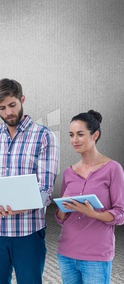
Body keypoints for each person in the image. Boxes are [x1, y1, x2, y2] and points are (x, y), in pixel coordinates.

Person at [0, 78, 60, 283]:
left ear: (22, 99)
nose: (8, 112)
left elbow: (46, 189)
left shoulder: (44, 137)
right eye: (1, 108)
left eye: (12, 105)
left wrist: (20, 206)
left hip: (28, 233)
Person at [55, 110, 124, 284]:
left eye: (80, 134)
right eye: (71, 135)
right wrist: (63, 210)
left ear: (95, 135)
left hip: (96, 256)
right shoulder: (69, 172)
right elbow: (61, 218)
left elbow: (120, 213)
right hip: (67, 253)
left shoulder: (113, 169)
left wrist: (93, 213)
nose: (74, 140)